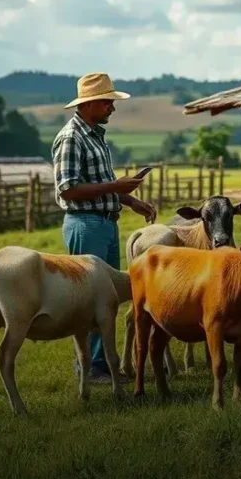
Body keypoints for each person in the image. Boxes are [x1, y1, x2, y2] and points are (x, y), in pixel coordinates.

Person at [52, 72, 157, 383]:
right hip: (86, 225)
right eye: (107, 102)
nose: (112, 106)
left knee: (105, 298)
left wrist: (131, 200)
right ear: (89, 104)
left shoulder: (94, 135)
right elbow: (68, 189)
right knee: (88, 299)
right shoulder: (72, 138)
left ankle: (102, 365)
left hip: (104, 223)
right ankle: (90, 367)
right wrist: (115, 186)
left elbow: (99, 183)